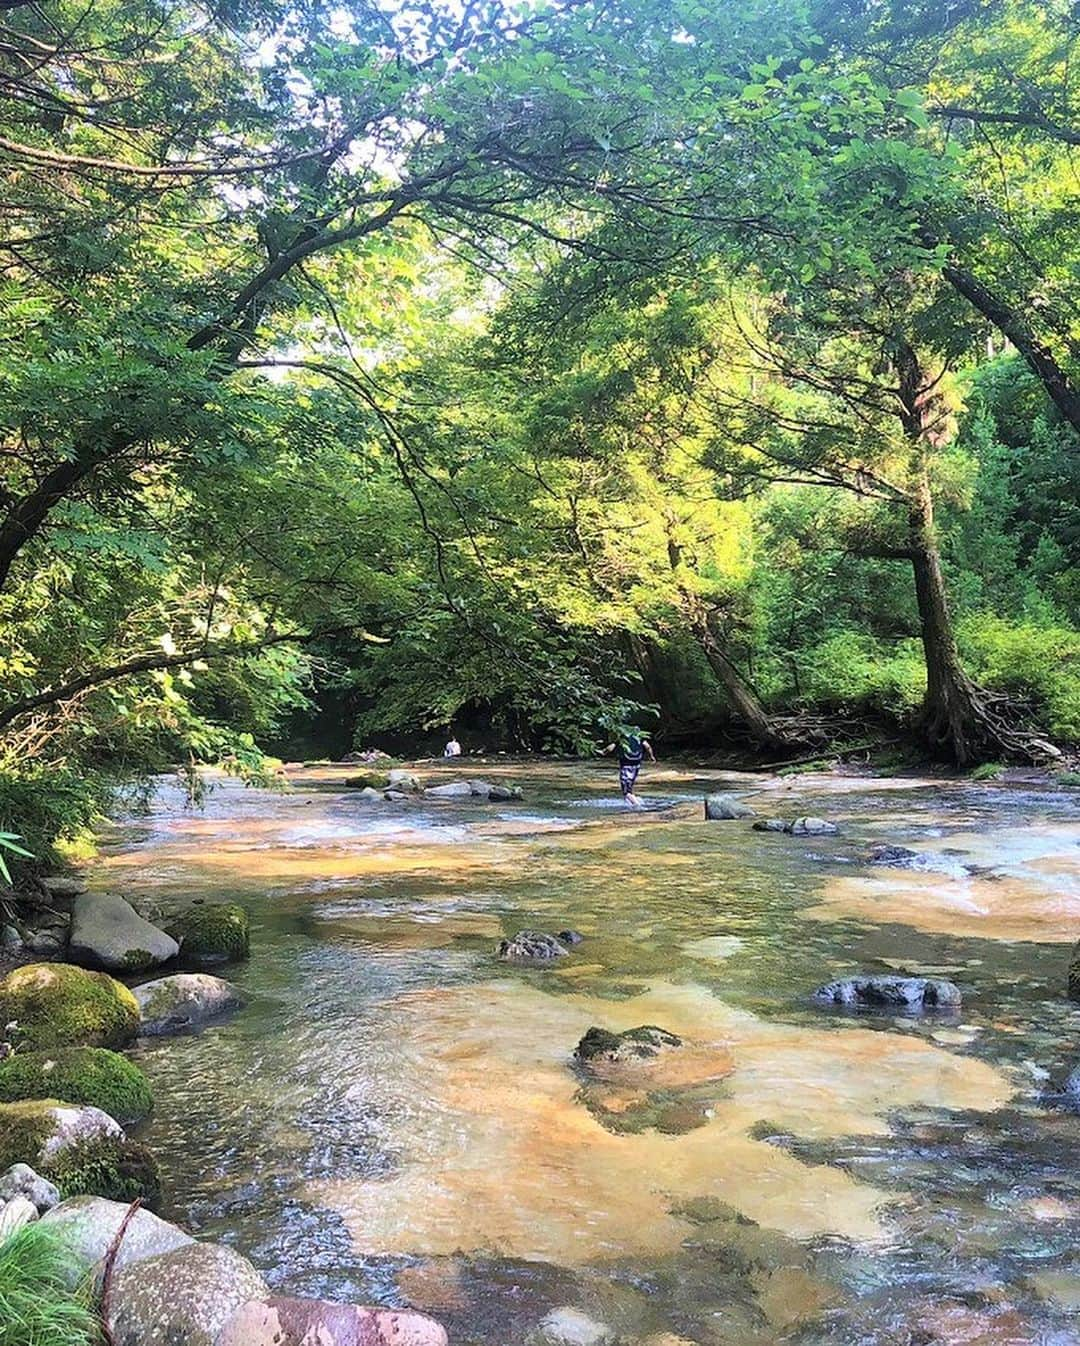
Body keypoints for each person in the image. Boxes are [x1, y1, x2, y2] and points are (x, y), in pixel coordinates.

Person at [602, 727, 655, 808]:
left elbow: (611, 747)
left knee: (626, 792)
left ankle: (637, 805)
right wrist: (651, 756)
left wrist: (603, 752)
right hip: (637, 765)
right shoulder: (640, 738)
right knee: (630, 785)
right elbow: (647, 747)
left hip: (626, 765)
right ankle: (631, 801)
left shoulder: (623, 739)